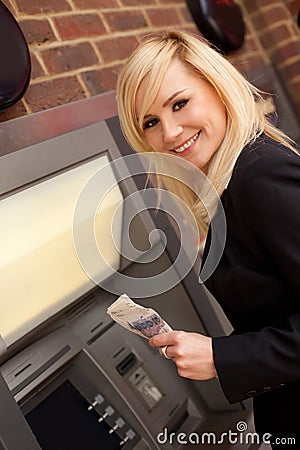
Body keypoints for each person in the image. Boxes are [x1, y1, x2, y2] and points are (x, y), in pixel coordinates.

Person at [116, 29, 300, 448]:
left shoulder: (259, 176)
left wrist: (221, 357)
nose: (171, 132)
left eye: (179, 104)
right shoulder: (227, 185)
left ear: (217, 87)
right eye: (151, 122)